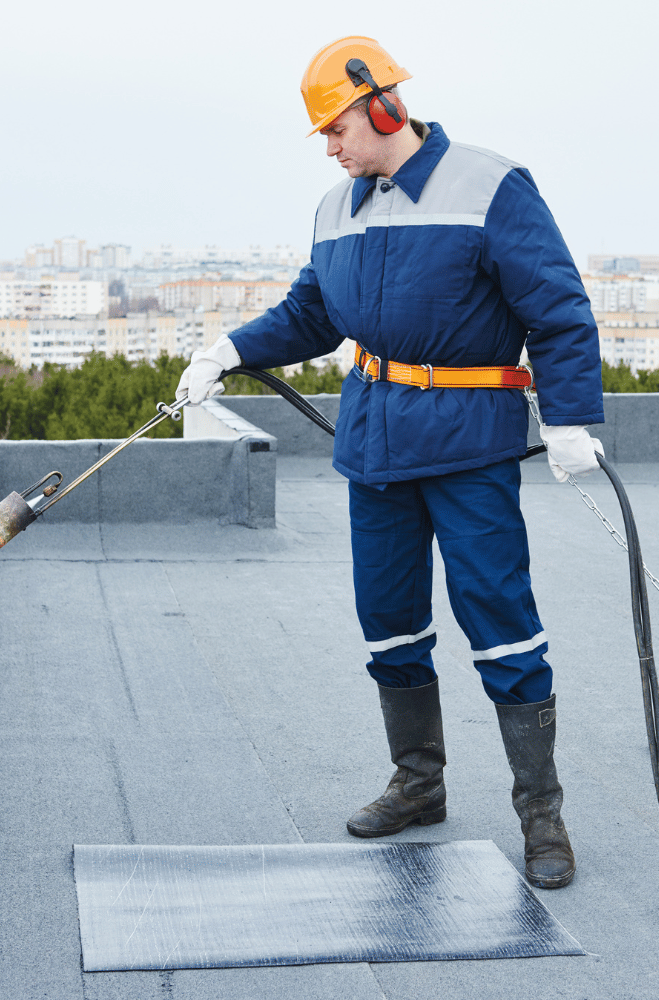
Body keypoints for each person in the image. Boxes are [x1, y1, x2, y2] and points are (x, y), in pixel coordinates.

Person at [176, 36, 604, 889]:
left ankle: (541, 813)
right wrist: (229, 347)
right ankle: (419, 784)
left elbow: (558, 312)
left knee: (500, 619)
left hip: (467, 443)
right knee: (390, 620)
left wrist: (571, 418)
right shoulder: (338, 207)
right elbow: (312, 314)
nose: (329, 149)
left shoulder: (491, 186)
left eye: (335, 129)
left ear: (383, 107)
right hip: (375, 440)